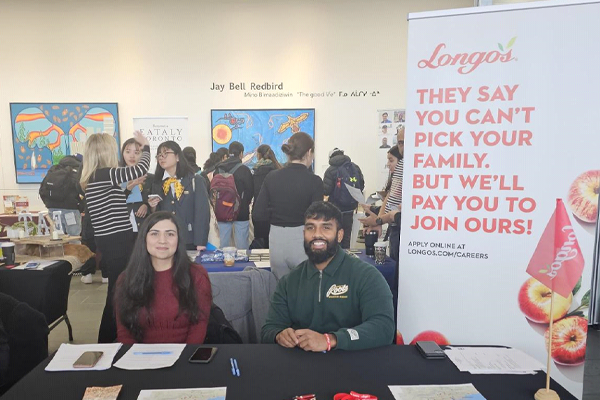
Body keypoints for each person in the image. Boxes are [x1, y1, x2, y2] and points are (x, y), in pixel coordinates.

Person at [261, 201, 395, 351]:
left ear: (339, 235)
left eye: (326, 227)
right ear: (304, 234)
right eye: (310, 227)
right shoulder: (289, 281)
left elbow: (384, 328)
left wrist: (331, 340)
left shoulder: (366, 276)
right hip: (302, 366)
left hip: (352, 365)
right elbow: (269, 329)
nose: (317, 234)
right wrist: (279, 335)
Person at [80, 131, 150, 343]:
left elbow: (109, 205)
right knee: (118, 292)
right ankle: (109, 338)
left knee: (118, 289)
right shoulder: (106, 173)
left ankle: (112, 337)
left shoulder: (93, 177)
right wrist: (145, 147)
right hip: (118, 240)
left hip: (109, 240)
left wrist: (126, 191)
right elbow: (140, 168)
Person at [115, 212, 211, 344]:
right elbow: (124, 331)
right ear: (144, 238)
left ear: (178, 239)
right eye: (154, 234)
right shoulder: (126, 279)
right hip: (139, 359)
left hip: (186, 356)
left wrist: (184, 359)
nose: (162, 240)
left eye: (170, 234)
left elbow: (199, 325)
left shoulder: (197, 275)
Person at [253, 132, 324, 279]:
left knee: (281, 292)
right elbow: (318, 218)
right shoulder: (315, 181)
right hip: (302, 240)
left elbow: (258, 214)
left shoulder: (272, 177)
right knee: (305, 290)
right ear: (309, 152)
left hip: (276, 240)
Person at [148, 141, 211, 251]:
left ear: (177, 157)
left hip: (189, 239)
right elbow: (157, 215)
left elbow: (202, 213)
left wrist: (200, 242)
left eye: (165, 153)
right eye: (159, 155)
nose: (162, 158)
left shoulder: (195, 180)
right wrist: (152, 206)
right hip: (166, 241)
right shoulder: (158, 183)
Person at [213, 141, 254, 249]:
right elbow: (250, 190)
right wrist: (243, 205)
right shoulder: (244, 169)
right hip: (241, 212)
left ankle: (223, 264)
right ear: (241, 153)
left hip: (222, 211)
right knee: (242, 246)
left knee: (222, 244)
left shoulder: (218, 169)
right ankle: (242, 264)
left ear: (229, 152)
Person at [323, 148, 364, 249]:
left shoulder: (330, 170)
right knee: (346, 237)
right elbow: (361, 186)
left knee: (335, 235)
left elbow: (326, 190)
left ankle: (335, 259)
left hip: (335, 208)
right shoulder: (354, 167)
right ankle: (346, 258)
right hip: (350, 208)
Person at [39, 154, 83, 236]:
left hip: (53, 210)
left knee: (57, 238)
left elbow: (42, 190)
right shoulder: (77, 170)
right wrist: (81, 206)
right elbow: (83, 190)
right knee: (73, 238)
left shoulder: (55, 169)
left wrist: (49, 204)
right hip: (71, 211)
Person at [251, 144, 282, 249]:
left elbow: (253, 191)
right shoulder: (279, 170)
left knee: (260, 244)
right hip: (276, 212)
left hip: (259, 211)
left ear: (259, 155)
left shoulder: (256, 171)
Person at [120, 138, 154, 233]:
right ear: (122, 154)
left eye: (136, 152)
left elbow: (156, 200)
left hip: (143, 226)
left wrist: (146, 205)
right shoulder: (117, 177)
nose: (132, 156)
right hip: (122, 225)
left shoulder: (150, 178)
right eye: (128, 152)